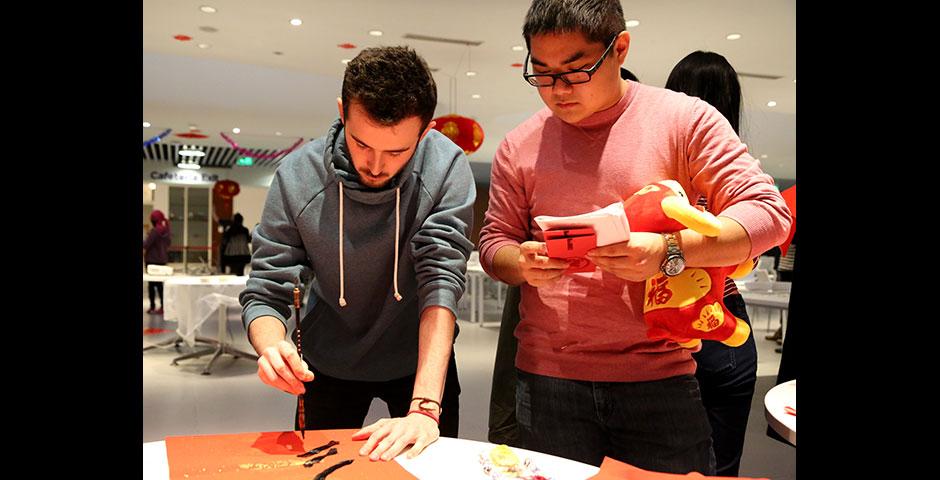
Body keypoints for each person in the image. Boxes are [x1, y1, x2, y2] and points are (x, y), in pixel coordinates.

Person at [478, 0, 792, 474]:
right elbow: (493, 242)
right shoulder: (521, 144)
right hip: (548, 377)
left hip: (659, 377)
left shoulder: (684, 120)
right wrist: (519, 262)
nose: (557, 91)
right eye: (541, 72)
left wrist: (671, 251)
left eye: (576, 70)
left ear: (620, 48)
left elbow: (769, 215)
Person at [239, 46, 475, 462]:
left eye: (397, 151)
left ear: (425, 132)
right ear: (342, 112)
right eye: (361, 143)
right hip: (327, 360)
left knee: (429, 468)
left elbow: (441, 281)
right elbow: (266, 289)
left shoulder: (446, 166)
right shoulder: (299, 176)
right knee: (321, 469)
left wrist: (424, 407)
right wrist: (271, 345)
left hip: (419, 358)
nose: (377, 165)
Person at [664, 49, 759, 477]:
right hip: (726, 319)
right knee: (723, 466)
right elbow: (749, 260)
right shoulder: (742, 177)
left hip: (664, 317)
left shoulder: (657, 170)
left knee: (656, 464)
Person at [143, 209, 171, 314]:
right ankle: (163, 307)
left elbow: (146, 244)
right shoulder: (166, 230)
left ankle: (152, 306)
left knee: (151, 285)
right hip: (162, 260)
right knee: (160, 285)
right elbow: (168, 244)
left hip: (152, 261)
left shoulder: (155, 231)